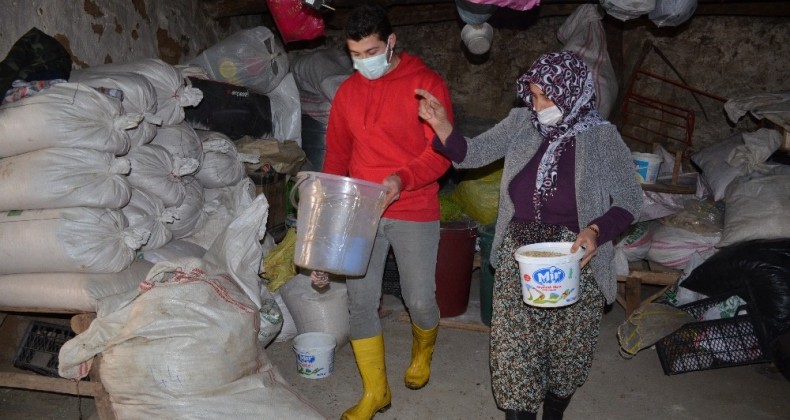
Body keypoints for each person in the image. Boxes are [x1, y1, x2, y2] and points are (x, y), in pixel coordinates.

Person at [416, 51, 642, 420]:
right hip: (519, 254)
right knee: (513, 355)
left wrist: (597, 230)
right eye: (534, 96)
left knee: (566, 355)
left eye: (547, 97)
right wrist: (442, 126)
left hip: (575, 255)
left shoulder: (602, 137)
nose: (539, 106)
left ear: (573, 94)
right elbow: (474, 153)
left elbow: (631, 198)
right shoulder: (522, 122)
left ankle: (554, 411)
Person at [321, 4, 454, 420]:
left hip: (413, 204)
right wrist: (328, 223)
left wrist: (402, 178)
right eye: (355, 54)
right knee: (361, 303)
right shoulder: (347, 92)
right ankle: (375, 393)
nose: (364, 62)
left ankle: (422, 351)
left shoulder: (425, 83)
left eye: (372, 51)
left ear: (391, 42)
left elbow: (442, 152)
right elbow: (336, 156)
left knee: (419, 299)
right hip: (362, 208)